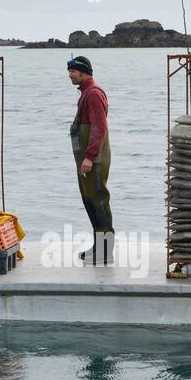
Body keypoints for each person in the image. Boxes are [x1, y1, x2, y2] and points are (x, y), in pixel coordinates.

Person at [67, 55, 114, 264]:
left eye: (73, 71)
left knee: (99, 200)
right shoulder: (85, 93)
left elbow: (99, 128)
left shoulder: (94, 94)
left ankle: (106, 251)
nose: (70, 75)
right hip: (86, 160)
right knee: (89, 201)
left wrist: (90, 157)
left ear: (85, 72)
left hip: (93, 159)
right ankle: (98, 246)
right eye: (69, 71)